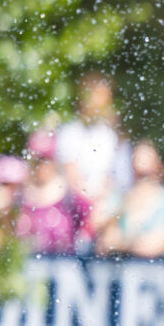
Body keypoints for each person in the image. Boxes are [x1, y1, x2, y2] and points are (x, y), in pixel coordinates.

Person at [54, 73, 125, 230]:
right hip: (74, 203)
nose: (104, 103)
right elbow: (72, 179)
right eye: (100, 97)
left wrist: (103, 201)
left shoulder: (108, 135)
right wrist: (92, 204)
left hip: (101, 203)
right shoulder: (69, 132)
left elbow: (108, 177)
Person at [16, 130, 91, 253]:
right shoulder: (21, 197)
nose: (42, 167)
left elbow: (89, 216)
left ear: (54, 163)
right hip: (32, 263)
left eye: (47, 161)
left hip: (64, 263)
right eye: (38, 161)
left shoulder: (68, 196)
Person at [109, 140, 164, 256]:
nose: (143, 181)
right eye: (138, 174)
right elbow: (106, 243)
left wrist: (122, 243)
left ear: (159, 169)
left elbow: (154, 246)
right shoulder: (121, 199)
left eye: (147, 174)